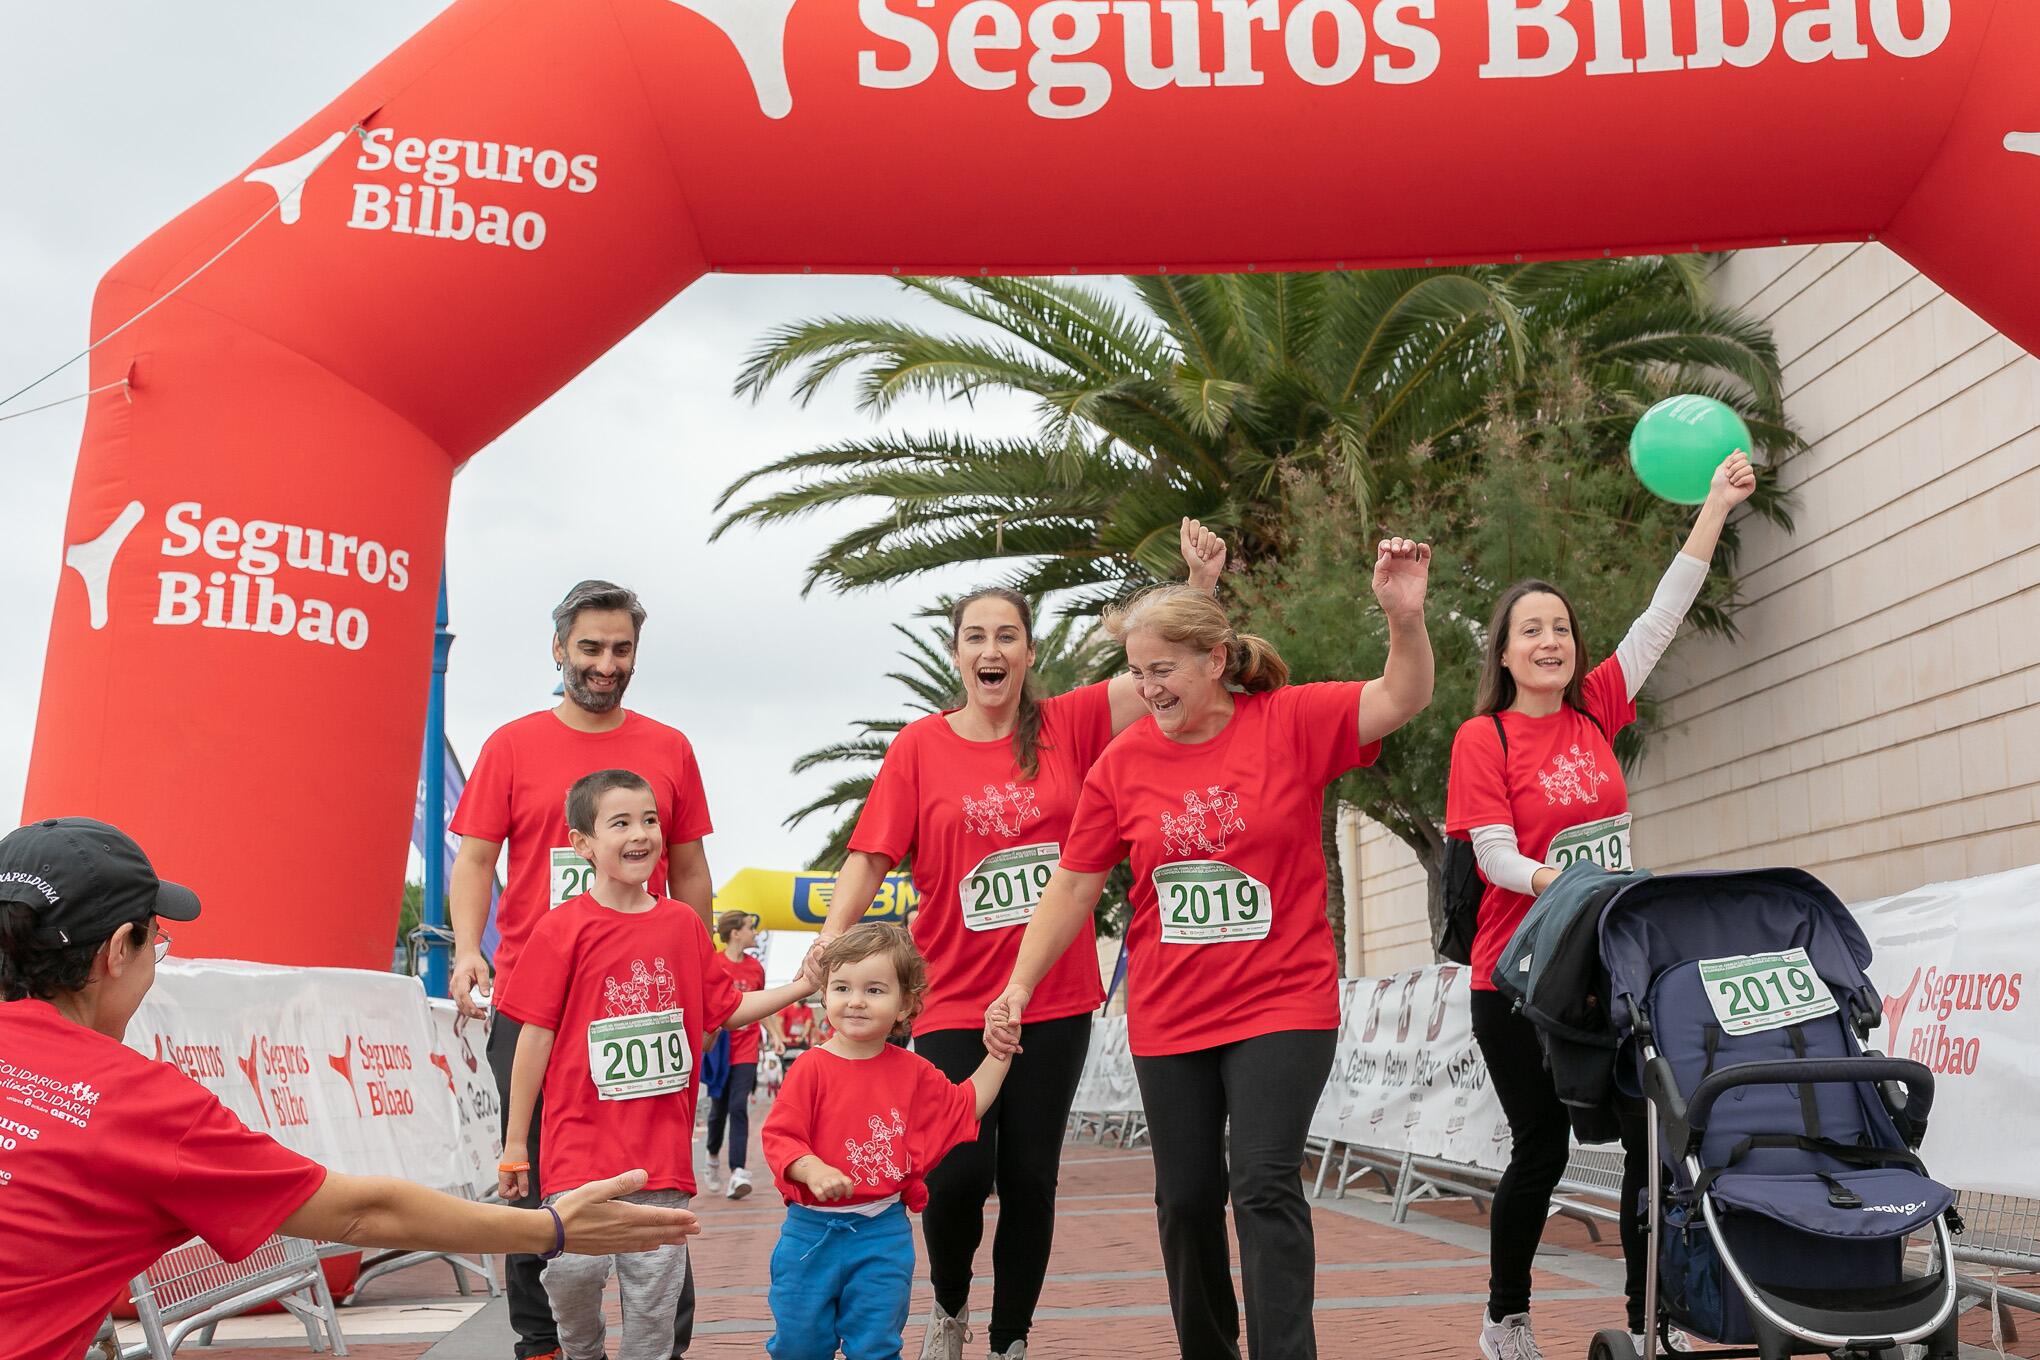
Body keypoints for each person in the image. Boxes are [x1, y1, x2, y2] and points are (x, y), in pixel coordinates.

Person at [0, 817, 703, 1360]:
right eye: (156, 943)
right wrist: (548, 1228)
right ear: (117, 950)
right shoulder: (137, 1104)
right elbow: (363, 1215)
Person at [986, 539, 1436, 1360]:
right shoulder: (1122, 764)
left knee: (1262, 1185)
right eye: (1138, 671)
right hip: (1171, 1013)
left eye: (1164, 669)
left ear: (1217, 659)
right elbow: (1076, 885)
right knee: (1186, 1201)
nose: (1148, 688)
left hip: (1282, 1001)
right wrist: (1018, 985)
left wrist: (1404, 619)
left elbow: (1401, 695)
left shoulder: (1291, 721)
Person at [814, 518, 1225, 1360]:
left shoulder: (1069, 724)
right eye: (975, 637)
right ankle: (953, 1309)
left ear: (1029, 653)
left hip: (1055, 994)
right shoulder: (920, 749)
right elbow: (869, 856)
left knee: (1031, 1178)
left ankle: (1009, 1338)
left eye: (1007, 635)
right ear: (958, 654)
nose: (991, 650)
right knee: (958, 1172)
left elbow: (1160, 673)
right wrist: (829, 946)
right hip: (955, 995)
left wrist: (1199, 588)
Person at [1446, 452, 1757, 1360]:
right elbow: (1496, 857)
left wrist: (1713, 507)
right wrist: (1571, 886)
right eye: (1530, 630)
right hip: (1519, 980)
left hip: (1614, 974)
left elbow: (1663, 615)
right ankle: (1506, 1316)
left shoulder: (1598, 710)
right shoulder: (1484, 736)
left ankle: (1647, 1320)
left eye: (1561, 628)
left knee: (1643, 1150)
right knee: (1539, 1152)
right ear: (1504, 651)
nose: (1550, 641)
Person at [448, 579, 715, 1360]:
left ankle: (662, 1344)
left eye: (621, 649)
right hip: (539, 1004)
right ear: (559, 648)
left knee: (654, 1182)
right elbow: (475, 861)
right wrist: (470, 946)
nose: (605, 664)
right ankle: (544, 1346)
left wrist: (689, 960)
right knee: (530, 1183)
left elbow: (692, 869)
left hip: (640, 1007)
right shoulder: (512, 744)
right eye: (591, 648)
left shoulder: (669, 749)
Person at [497, 772, 815, 1360]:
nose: (641, 833)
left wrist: (804, 984)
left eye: (649, 820)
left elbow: (729, 1005)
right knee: (569, 1280)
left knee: (652, 1306)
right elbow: (533, 1039)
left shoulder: (681, 924)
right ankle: (582, 1352)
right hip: (577, 1155)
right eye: (620, 823)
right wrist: (517, 1143)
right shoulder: (561, 929)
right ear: (582, 842)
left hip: (660, 1162)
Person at [762, 924, 1011, 1360]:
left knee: (876, 1345)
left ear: (905, 1006)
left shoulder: (913, 1071)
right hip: (808, 1236)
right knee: (798, 1344)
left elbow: (964, 1105)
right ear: (824, 995)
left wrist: (1000, 1052)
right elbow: (781, 1136)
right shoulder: (809, 1068)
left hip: (882, 1233)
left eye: (874, 990)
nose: (855, 1000)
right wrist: (812, 1168)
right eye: (842, 987)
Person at [703, 909, 779, 1199]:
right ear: (735, 933)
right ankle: (711, 1156)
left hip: (747, 1045)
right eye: (750, 928)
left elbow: (763, 1005)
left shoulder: (755, 969)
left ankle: (738, 1172)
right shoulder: (715, 963)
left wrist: (775, 1035)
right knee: (718, 1110)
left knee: (738, 1106)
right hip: (719, 1048)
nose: (754, 934)